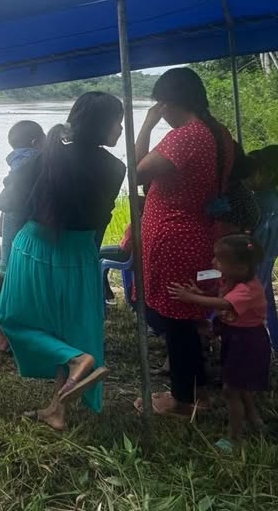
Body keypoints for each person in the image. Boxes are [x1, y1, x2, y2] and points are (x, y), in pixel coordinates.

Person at [0, 92, 126, 431]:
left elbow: (8, 203)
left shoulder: (46, 156)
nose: (121, 129)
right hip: (82, 252)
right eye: (119, 122)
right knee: (67, 327)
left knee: (11, 318)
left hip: (36, 247)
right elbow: (102, 216)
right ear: (101, 124)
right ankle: (57, 409)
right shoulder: (116, 167)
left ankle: (77, 359)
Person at [134, 67, 238, 416]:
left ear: (166, 102)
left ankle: (181, 399)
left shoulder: (185, 136)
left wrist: (146, 126)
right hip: (195, 233)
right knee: (188, 317)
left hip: (174, 236)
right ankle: (200, 393)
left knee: (176, 319)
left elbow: (136, 171)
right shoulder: (214, 132)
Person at [170, 236, 271, 450]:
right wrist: (201, 293)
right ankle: (255, 420)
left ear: (240, 267)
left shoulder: (249, 289)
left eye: (219, 260)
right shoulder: (231, 280)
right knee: (240, 385)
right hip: (235, 339)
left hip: (247, 344)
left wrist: (191, 297)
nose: (214, 263)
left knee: (231, 389)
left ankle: (234, 437)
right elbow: (218, 295)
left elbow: (223, 303)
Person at [0, 120, 45, 351]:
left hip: (24, 253)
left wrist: (0, 250)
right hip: (22, 249)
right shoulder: (37, 166)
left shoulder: (18, 170)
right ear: (37, 143)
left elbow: (9, 220)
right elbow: (6, 224)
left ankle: (0, 330)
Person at [247, 146, 278, 350]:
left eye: (251, 171)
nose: (246, 176)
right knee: (265, 297)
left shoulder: (258, 202)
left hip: (254, 259)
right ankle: (273, 339)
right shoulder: (273, 199)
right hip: (266, 258)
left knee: (251, 299)